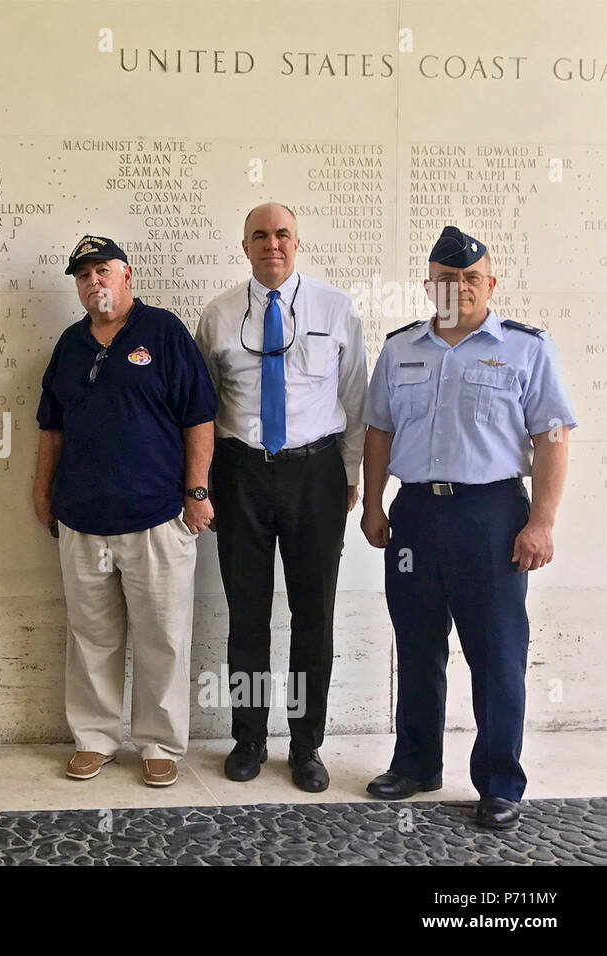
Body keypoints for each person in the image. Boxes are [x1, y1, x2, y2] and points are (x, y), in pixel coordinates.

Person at [361, 227, 575, 830]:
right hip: (416, 514)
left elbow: (552, 437)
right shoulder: (400, 348)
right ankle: (416, 762)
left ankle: (500, 782)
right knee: (418, 644)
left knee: (497, 654)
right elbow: (379, 431)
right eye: (446, 280)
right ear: (430, 286)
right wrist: (374, 505)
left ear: (491, 283)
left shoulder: (527, 349)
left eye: (471, 279)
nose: (459, 289)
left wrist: (542, 521)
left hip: (492, 516)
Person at [194, 202, 367, 792]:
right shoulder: (217, 316)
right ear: (245, 246)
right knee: (246, 615)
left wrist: (349, 476)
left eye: (283, 234)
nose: (272, 244)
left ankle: (305, 745)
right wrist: (205, 481)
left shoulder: (336, 308)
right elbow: (201, 408)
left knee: (312, 614)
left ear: (299, 243)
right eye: (260, 236)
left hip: (315, 474)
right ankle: (247, 738)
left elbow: (358, 401)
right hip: (240, 474)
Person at [33, 235, 217, 788]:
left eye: (103, 270)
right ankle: (95, 738)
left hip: (157, 517)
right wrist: (42, 494)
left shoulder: (163, 332)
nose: (94, 281)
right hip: (83, 519)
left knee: (162, 635)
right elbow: (51, 427)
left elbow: (200, 417)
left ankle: (160, 744)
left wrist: (198, 492)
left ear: (127, 275)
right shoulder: (69, 344)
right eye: (84, 274)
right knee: (91, 638)